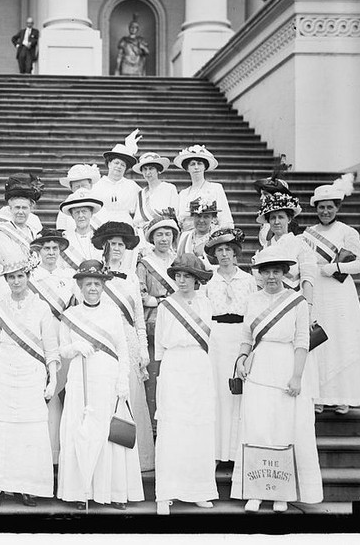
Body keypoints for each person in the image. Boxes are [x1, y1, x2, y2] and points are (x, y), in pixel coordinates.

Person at [230, 246, 323, 512]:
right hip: (258, 370)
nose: (271, 276)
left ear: (284, 273)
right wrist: (240, 359)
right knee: (258, 428)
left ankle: (282, 492)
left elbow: (302, 341)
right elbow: (246, 337)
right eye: (266, 271)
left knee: (283, 429)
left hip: (285, 368)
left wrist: (296, 376)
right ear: (259, 274)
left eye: (276, 271)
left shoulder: (298, 301)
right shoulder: (252, 300)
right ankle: (256, 491)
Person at [57, 260, 144, 510]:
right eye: (88, 284)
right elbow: (62, 349)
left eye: (97, 283)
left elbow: (123, 350)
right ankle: (79, 492)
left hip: (107, 378)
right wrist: (74, 347)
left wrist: (122, 381)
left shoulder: (112, 313)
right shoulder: (71, 315)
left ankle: (113, 492)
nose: (92, 288)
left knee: (107, 434)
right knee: (80, 430)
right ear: (80, 286)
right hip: (80, 380)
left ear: (103, 286)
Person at [0, 259, 58, 508]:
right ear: (6, 280)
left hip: (32, 375)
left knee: (29, 434)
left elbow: (50, 348)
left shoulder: (42, 308)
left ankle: (27, 488)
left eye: (20, 276)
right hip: (4, 377)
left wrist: (52, 379)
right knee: (2, 433)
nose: (16, 281)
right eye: (11, 277)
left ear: (28, 276)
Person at [153, 253, 216, 515]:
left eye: (187, 276)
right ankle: (165, 494)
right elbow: (159, 347)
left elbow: (209, 340)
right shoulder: (165, 306)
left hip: (198, 365)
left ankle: (198, 490)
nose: (182, 280)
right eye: (178, 275)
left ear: (196, 279)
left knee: (198, 428)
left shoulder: (206, 304)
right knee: (172, 428)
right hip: (174, 365)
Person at [302, 176, 360, 413]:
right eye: (321, 207)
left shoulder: (347, 232)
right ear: (316, 209)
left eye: (330, 207)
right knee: (320, 342)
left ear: (337, 207)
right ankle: (319, 396)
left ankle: (343, 396)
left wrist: (337, 267)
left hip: (340, 293)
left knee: (341, 341)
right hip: (318, 292)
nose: (326, 211)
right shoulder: (308, 234)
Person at [92, 221, 154, 472]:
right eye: (113, 244)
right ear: (105, 246)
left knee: (131, 397)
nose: (117, 248)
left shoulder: (130, 278)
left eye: (121, 244)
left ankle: (136, 461)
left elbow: (139, 318)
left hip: (128, 341)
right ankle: (106, 460)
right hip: (104, 342)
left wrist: (144, 349)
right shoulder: (95, 275)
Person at [254, 191, 320, 406]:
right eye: (272, 218)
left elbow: (308, 280)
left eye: (280, 217)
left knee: (296, 355)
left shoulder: (301, 245)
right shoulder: (265, 249)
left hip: (294, 306)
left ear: (289, 219)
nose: (276, 222)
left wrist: (307, 310)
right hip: (269, 308)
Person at [203, 228, 255, 463]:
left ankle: (237, 452)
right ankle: (215, 452)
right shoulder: (208, 281)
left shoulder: (248, 280)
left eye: (228, 250)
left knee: (238, 392)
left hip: (240, 338)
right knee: (217, 392)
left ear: (236, 254)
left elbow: (253, 314)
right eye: (219, 250)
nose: (224, 254)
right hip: (216, 339)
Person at [29, 229, 76, 466]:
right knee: (43, 396)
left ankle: (62, 457)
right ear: (38, 250)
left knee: (63, 393)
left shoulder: (69, 277)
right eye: (46, 248)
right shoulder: (30, 278)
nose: (50, 252)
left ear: (60, 251)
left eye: (54, 248)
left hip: (64, 341)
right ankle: (42, 457)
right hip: (39, 342)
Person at [136, 211, 180, 432]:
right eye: (159, 234)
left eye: (168, 234)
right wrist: (163, 300)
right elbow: (141, 295)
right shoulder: (145, 264)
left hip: (179, 326)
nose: (164, 239)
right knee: (154, 377)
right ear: (152, 238)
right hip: (153, 325)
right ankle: (153, 428)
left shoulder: (179, 260)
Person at [0, 173, 43, 310]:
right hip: (2, 267)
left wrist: (29, 264)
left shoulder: (34, 219)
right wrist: (9, 262)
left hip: (28, 271)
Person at [174, 145, 233, 232]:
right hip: (187, 238)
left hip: (209, 236)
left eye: (199, 163)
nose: (196, 167)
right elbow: (180, 220)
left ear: (205, 167)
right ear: (187, 168)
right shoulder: (183, 193)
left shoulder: (215, 188)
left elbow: (225, 218)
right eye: (192, 164)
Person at [90, 130, 142, 225]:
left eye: (123, 165)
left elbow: (140, 207)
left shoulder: (132, 186)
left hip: (126, 225)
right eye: (116, 163)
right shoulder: (97, 185)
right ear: (109, 164)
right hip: (101, 225)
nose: (119, 167)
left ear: (125, 168)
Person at [57, 188, 104, 270]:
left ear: (91, 213)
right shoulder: (65, 239)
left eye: (84, 211)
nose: (80, 215)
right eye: (77, 212)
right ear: (72, 215)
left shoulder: (101, 238)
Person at [131, 152, 178, 229]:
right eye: (145, 169)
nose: (147, 172)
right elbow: (137, 219)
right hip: (145, 233)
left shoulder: (169, 188)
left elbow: (175, 214)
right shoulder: (141, 193)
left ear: (158, 170)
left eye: (151, 168)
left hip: (164, 230)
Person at [252, 173, 297, 249]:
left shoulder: (286, 222)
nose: (261, 198)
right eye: (261, 194)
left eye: (265, 194)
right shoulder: (266, 219)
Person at [55, 163, 102, 235]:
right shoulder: (66, 208)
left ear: (91, 185)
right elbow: (61, 230)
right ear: (71, 188)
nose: (81, 189)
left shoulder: (99, 204)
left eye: (84, 185)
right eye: (77, 186)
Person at [176, 197, 218, 268]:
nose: (201, 220)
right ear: (193, 217)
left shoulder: (217, 238)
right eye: (198, 216)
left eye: (206, 217)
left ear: (212, 218)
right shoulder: (185, 236)